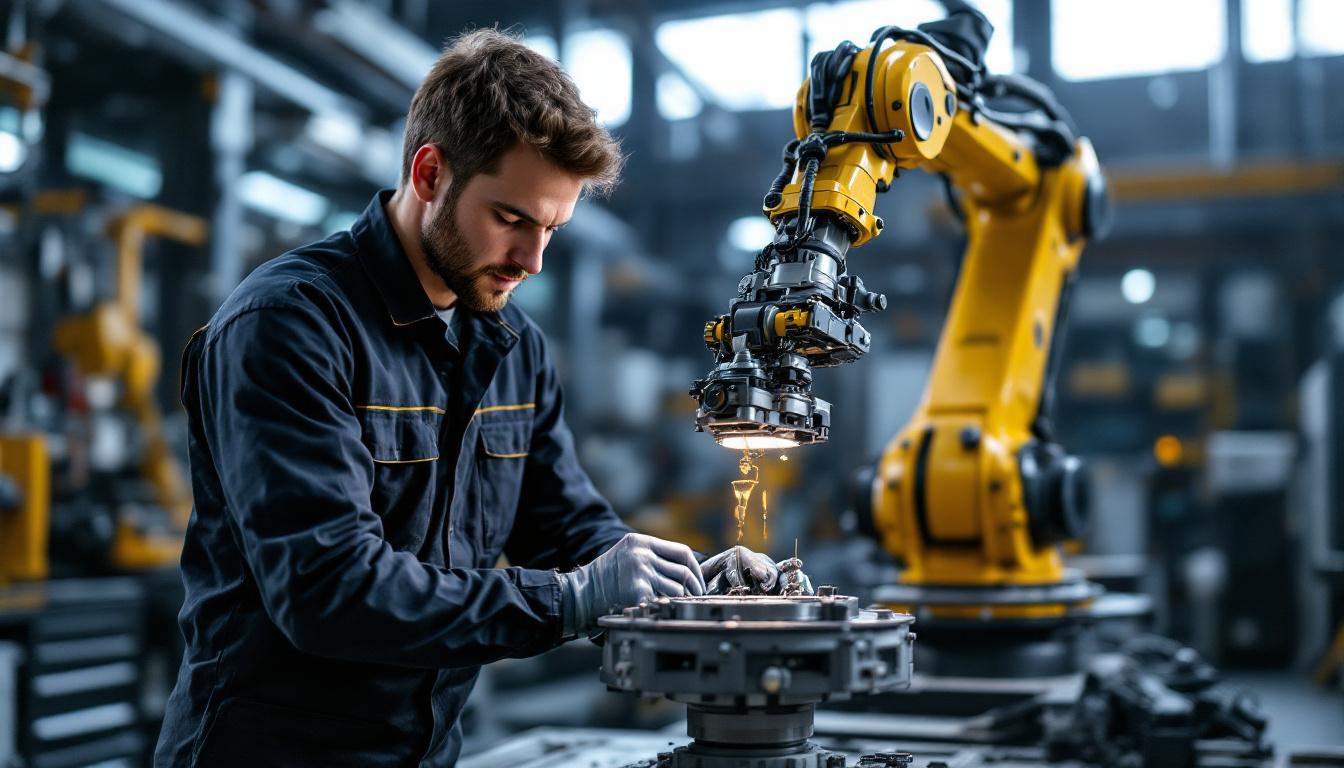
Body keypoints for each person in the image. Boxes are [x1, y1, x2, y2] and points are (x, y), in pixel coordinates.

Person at [154, 28, 775, 767]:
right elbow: (328, 590)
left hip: (426, 752)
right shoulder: (290, 326)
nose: (532, 260)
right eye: (511, 219)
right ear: (429, 174)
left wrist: (675, 584)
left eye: (552, 228)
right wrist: (568, 601)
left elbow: (565, 523)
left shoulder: (512, 344)